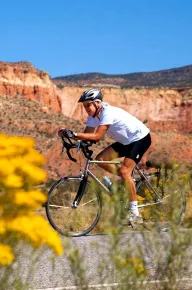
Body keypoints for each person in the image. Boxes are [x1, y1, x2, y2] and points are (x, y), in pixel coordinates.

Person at [58, 88, 151, 227]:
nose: (86, 108)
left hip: (140, 139)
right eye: (84, 106)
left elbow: (97, 137)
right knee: (100, 159)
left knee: (125, 171)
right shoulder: (93, 117)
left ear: (97, 103)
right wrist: (70, 138)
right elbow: (87, 138)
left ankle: (135, 214)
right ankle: (126, 182)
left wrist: (74, 134)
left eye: (88, 105)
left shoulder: (107, 113)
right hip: (125, 142)